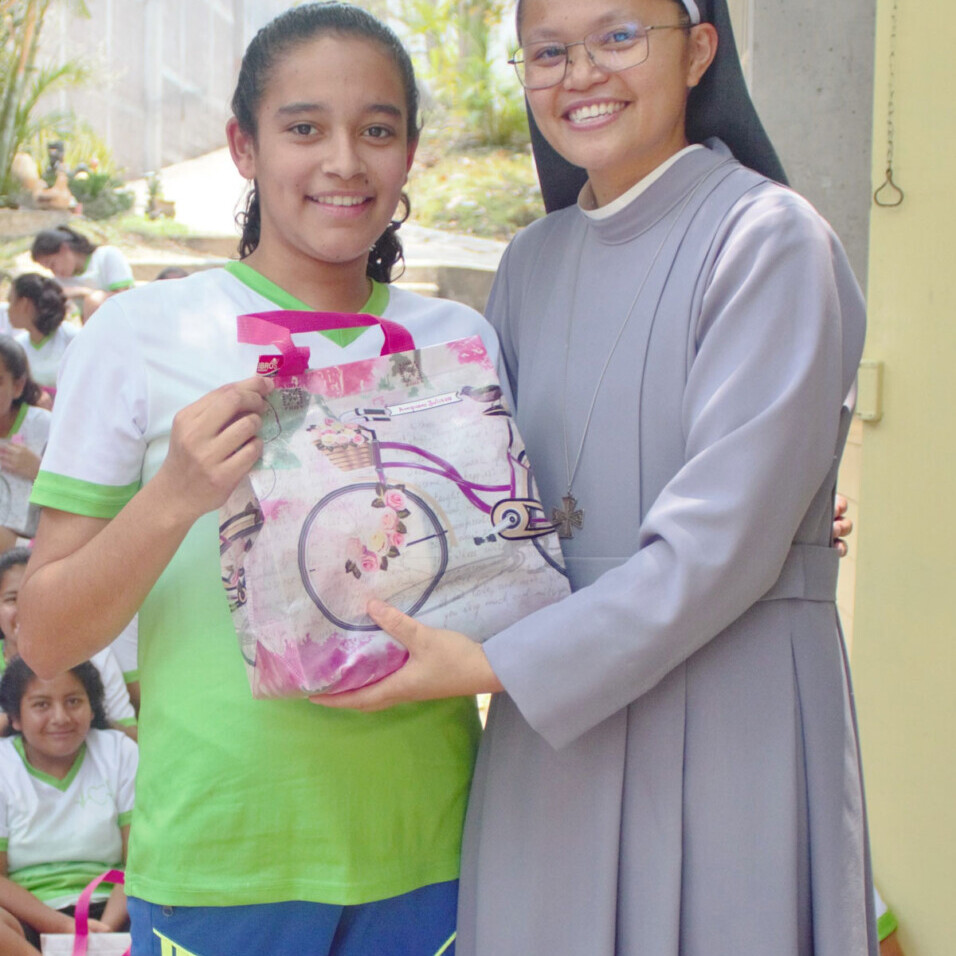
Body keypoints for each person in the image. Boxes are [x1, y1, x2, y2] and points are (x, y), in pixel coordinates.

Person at [315, 1, 877, 954]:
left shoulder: (767, 237)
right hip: (557, 726)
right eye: (548, 51)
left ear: (699, 50)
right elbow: (497, 496)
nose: (580, 74)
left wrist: (496, 665)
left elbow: (721, 549)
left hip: (727, 704)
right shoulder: (532, 262)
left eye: (618, 37)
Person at [17, 5, 501, 954]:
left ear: (411, 154)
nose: (344, 162)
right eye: (304, 127)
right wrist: (175, 498)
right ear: (243, 146)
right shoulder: (140, 334)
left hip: (439, 854)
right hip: (221, 863)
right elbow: (43, 636)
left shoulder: (462, 344)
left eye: (377, 129)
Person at [0, 657, 136, 948]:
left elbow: (139, 859)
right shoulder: (3, 765)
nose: (60, 717)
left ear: (92, 708)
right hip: (29, 918)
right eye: (41, 705)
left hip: (115, 910)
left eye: (74, 701)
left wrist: (103, 931)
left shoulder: (119, 753)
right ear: (15, 717)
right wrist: (64, 926)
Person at [0, 547, 137, 739]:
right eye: (12, 599)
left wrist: (88, 720)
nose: (26, 607)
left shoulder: (93, 654)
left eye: (37, 595)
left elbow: (132, 737)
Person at [0, 337, 51, 551]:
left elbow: (78, 492)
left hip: (32, 553)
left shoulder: (44, 426)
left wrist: (38, 470)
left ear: (18, 386)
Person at [30, 226, 133, 323]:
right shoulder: (59, 281)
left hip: (123, 322)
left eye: (53, 264)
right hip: (91, 331)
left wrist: (84, 293)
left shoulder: (106, 256)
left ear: (64, 249)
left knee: (94, 299)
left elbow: (124, 298)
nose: (55, 272)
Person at [5, 274, 73, 395]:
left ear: (24, 304)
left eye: (10, 301)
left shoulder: (71, 337)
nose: (7, 310)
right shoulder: (18, 346)